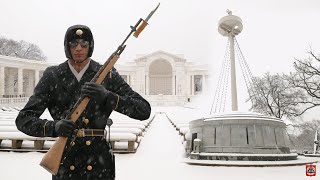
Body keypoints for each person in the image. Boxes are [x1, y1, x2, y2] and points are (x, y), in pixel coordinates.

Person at [15, 24, 151, 180]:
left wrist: (108, 97)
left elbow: (143, 110)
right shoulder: (53, 75)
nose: (78, 48)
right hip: (66, 161)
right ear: (67, 46)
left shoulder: (108, 74)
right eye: (73, 44)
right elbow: (23, 119)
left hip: (99, 163)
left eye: (84, 44)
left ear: (90, 46)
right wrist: (54, 127)